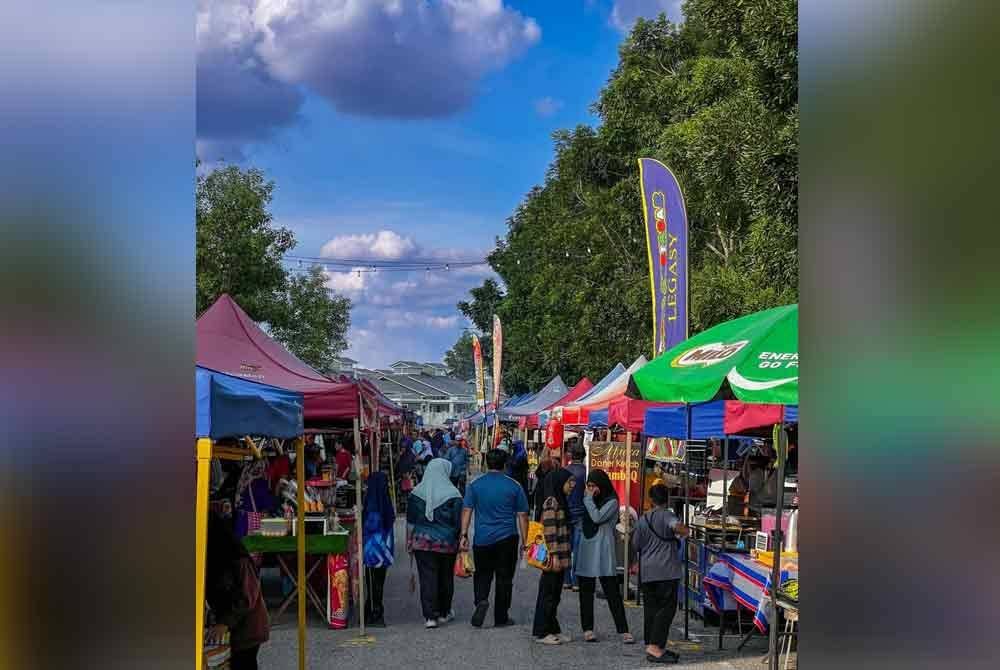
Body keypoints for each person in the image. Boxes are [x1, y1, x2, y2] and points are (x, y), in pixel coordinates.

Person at [460, 449, 529, 628]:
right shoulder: (514, 486)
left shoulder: (475, 485)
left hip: (482, 539)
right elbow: (522, 515)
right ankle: (501, 617)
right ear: (505, 464)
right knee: (504, 578)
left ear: (486, 463)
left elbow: (467, 511)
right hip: (508, 538)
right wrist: (525, 540)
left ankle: (481, 600)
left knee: (482, 575)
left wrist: (464, 534)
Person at [631, 484, 688, 664]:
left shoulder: (643, 520)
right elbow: (677, 527)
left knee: (651, 609)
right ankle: (655, 647)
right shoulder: (667, 515)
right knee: (667, 609)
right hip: (666, 571)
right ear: (667, 499)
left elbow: (635, 545)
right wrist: (683, 532)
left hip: (648, 571)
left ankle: (653, 644)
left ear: (650, 500)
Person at [205, 514, 269, 669]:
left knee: (243, 663)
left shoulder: (239, 560)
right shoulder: (215, 559)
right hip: (233, 629)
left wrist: (224, 623)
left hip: (248, 630)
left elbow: (247, 599)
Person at [576, 469, 633, 643]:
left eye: (594, 486)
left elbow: (597, 517)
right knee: (586, 591)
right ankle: (588, 629)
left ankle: (623, 630)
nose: (591, 489)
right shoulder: (590, 500)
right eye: (589, 486)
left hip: (603, 550)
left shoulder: (612, 501)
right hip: (587, 547)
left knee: (612, 592)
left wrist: (587, 499)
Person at [407, 458, 463, 629]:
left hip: (422, 543)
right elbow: (458, 522)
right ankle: (444, 612)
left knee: (427, 578)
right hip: (447, 543)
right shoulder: (454, 495)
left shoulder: (416, 493)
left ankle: (430, 616)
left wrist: (409, 541)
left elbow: (410, 521)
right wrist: (461, 539)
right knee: (446, 578)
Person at [532, 468, 575, 644]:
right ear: (560, 482)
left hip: (560, 557)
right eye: (569, 482)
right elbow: (550, 532)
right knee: (548, 595)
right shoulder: (552, 503)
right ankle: (542, 632)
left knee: (554, 595)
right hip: (553, 558)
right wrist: (555, 556)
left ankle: (552, 628)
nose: (572, 485)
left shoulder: (561, 500)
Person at [363, 471, 395, 627]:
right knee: (379, 581)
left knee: (371, 581)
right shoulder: (386, 502)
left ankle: (374, 610)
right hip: (385, 550)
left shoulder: (372, 503)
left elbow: (370, 525)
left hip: (372, 550)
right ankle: (375, 608)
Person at [563, 442, 587, 590]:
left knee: (567, 547)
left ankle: (566, 580)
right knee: (578, 548)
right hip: (581, 513)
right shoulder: (586, 472)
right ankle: (577, 581)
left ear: (571, 455)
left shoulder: (565, 471)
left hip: (567, 512)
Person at [532, 456, 556, 522]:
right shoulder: (552, 474)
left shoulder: (538, 474)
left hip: (539, 498)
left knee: (538, 512)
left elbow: (534, 487)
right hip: (547, 497)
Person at [506, 438, 530, 502]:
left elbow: (514, 465)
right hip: (516, 479)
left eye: (514, 445)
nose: (513, 447)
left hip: (518, 479)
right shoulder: (517, 454)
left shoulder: (521, 456)